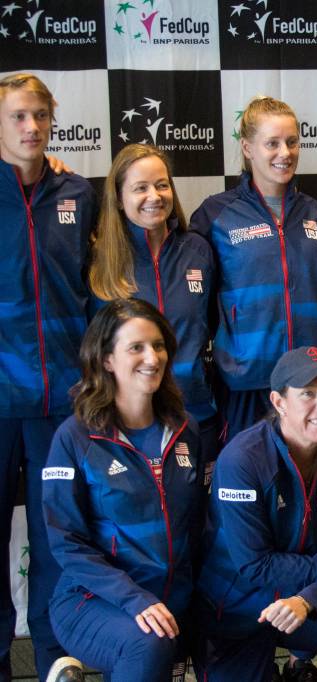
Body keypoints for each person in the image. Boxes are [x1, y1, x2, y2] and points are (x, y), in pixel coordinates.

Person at [195, 346, 317, 682]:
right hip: (237, 608)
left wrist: (307, 600)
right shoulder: (242, 459)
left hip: (304, 600)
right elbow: (255, 565)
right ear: (279, 402)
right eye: (308, 394)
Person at [42, 298, 203, 682]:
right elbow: (66, 542)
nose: (152, 357)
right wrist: (134, 599)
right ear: (107, 360)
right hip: (93, 599)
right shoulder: (75, 437)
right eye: (136, 347)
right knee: (148, 642)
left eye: (158, 345)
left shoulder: (186, 429)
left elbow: (198, 526)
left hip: (172, 598)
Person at [0, 72, 98, 682]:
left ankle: (55, 660)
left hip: (61, 401)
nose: (32, 127)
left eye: (40, 115)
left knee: (56, 539)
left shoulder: (78, 193)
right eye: (17, 116)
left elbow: (94, 286)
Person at [190, 96, 317, 440]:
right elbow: (195, 297)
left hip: (308, 378)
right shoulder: (215, 214)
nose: (285, 153)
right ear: (247, 148)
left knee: (307, 470)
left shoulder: (314, 212)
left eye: (292, 142)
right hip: (246, 382)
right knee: (248, 469)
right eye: (272, 143)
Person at [89, 143, 219, 479]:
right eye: (140, 188)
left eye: (162, 185)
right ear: (119, 198)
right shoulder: (100, 261)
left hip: (196, 415)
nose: (154, 196)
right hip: (128, 426)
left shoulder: (198, 251)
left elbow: (213, 326)